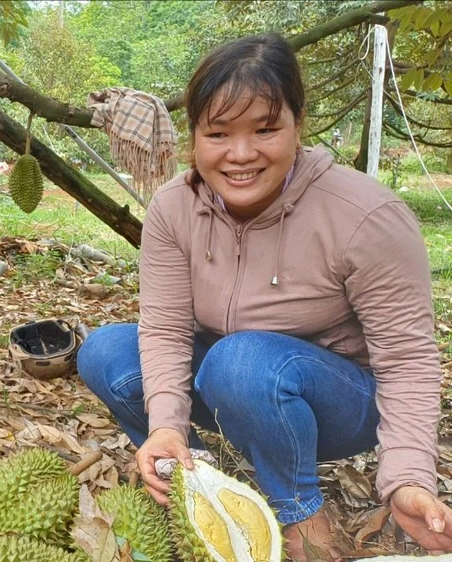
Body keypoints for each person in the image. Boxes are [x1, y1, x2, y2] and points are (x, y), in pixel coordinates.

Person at [77, 33, 452, 560]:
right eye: (218, 133)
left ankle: (297, 506)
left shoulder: (366, 217)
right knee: (105, 352)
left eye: (266, 129)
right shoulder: (172, 208)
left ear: (299, 125)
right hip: (230, 383)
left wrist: (408, 478)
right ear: (194, 138)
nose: (240, 154)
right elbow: (163, 329)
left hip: (341, 402)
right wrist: (165, 428)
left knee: (242, 360)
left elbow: (408, 360)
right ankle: (198, 480)